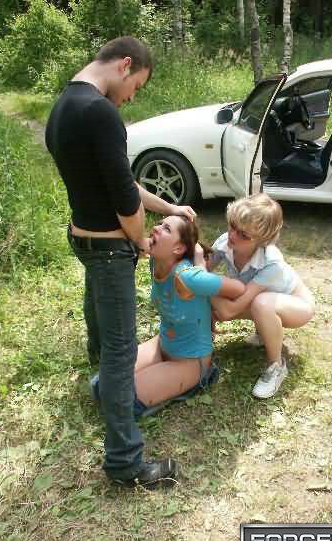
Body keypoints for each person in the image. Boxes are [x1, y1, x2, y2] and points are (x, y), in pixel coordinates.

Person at [45, 36, 195, 489]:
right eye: (137, 86)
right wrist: (141, 241)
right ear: (125, 65)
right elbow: (126, 202)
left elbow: (122, 182)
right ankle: (125, 462)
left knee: (98, 321)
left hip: (83, 237)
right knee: (120, 351)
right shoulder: (101, 113)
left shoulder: (64, 106)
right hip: (109, 248)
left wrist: (169, 208)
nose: (131, 97)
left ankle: (101, 385)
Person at [131, 215, 244, 413]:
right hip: (162, 343)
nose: (156, 228)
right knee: (107, 380)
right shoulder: (156, 260)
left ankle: (202, 377)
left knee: (123, 398)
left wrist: (201, 269)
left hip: (189, 362)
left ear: (178, 248)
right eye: (159, 224)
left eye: (166, 229)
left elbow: (238, 288)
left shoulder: (189, 277)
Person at [209, 193, 315, 399]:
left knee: (260, 303)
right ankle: (206, 344)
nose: (233, 235)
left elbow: (229, 310)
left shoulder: (271, 262)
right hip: (265, 299)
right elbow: (201, 269)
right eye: (232, 225)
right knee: (227, 295)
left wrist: (202, 287)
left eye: (244, 235)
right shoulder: (225, 242)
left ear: (262, 241)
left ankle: (276, 366)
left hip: (298, 305)